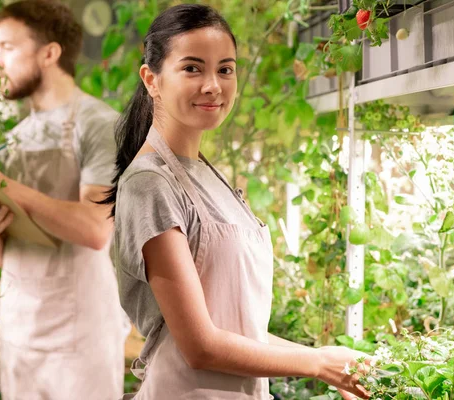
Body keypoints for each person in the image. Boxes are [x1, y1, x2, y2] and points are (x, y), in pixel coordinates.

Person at [105, 4, 370, 400]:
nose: (213, 85)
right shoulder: (150, 184)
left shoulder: (209, 177)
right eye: (192, 68)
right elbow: (199, 345)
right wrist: (315, 364)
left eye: (225, 69)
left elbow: (239, 329)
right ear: (152, 79)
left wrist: (330, 364)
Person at [0, 1, 129, 399]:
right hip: (19, 333)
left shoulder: (99, 125)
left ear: (49, 53)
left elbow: (94, 229)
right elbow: (3, 255)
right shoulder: (15, 137)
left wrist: (1, 184)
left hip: (81, 341)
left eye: (7, 47)